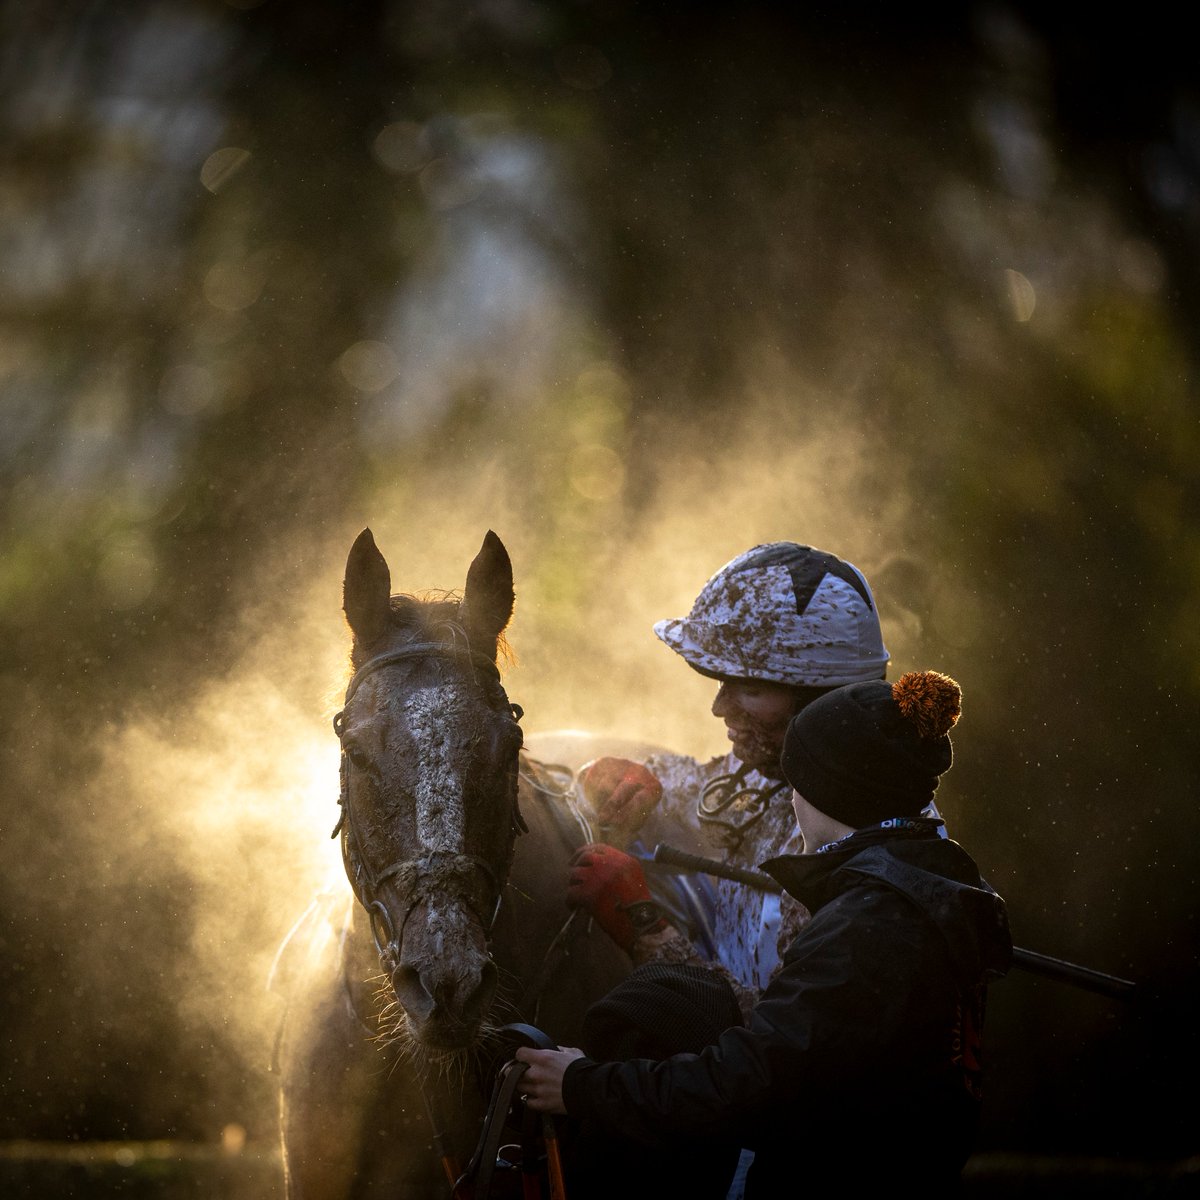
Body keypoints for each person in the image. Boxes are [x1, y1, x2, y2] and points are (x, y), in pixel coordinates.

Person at [516, 671, 1013, 1195]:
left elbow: (744, 1084)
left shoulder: (862, 928)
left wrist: (581, 1084)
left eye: (796, 784)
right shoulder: (931, 891)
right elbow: (805, 1047)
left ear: (829, 792)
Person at [570, 542, 936, 1016]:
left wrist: (644, 927)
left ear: (820, 706)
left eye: (751, 688)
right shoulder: (778, 774)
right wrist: (628, 775)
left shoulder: (865, 851)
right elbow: (701, 781)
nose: (719, 707)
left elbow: (779, 1039)